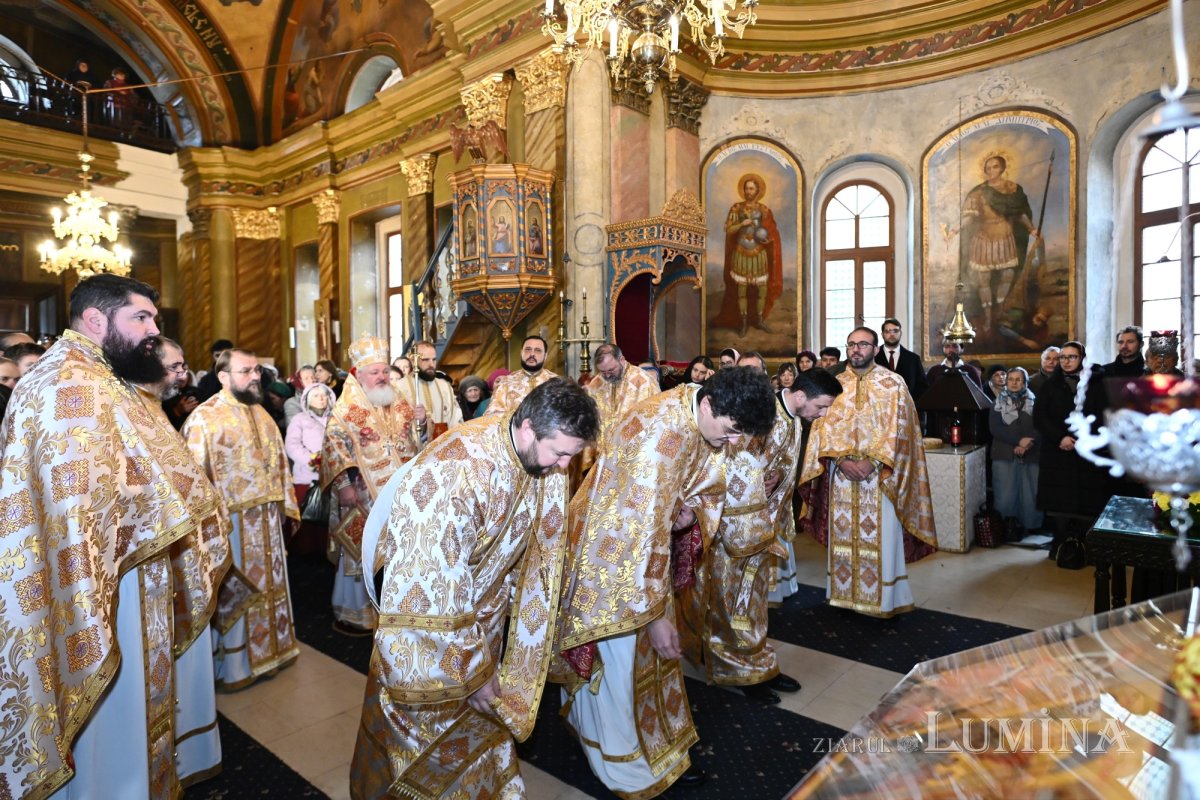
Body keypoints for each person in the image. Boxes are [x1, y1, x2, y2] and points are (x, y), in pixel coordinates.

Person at [0, 275, 230, 798]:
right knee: (108, 723)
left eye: (154, 319)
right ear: (96, 320)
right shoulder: (64, 383)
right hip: (92, 579)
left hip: (135, 563)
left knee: (137, 707)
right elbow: (74, 501)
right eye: (141, 319)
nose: (153, 331)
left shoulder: (108, 377)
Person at [350, 379, 600, 799]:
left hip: (482, 629)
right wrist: (475, 671)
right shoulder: (457, 471)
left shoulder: (536, 457)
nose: (563, 468)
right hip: (430, 645)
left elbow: (539, 545)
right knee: (419, 754)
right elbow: (427, 589)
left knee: (482, 744)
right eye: (560, 453)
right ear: (527, 428)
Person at [557, 366, 777, 796]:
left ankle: (648, 748)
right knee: (619, 661)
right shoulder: (660, 438)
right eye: (731, 432)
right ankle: (619, 762)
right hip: (612, 565)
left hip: (646, 564)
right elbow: (636, 533)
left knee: (649, 665)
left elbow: (703, 488)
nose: (732, 443)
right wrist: (656, 616)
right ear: (710, 404)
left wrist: (690, 510)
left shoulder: (700, 413)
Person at [679, 364, 842, 706]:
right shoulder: (762, 413)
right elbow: (726, 460)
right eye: (822, 406)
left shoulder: (797, 418)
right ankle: (736, 670)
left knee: (753, 605)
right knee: (731, 603)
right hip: (734, 529)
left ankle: (756, 664)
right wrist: (756, 487)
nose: (823, 414)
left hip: (762, 529)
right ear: (801, 395)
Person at [183, 348, 301, 689]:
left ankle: (274, 652)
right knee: (239, 591)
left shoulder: (262, 414)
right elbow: (192, 482)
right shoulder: (204, 419)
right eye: (246, 370)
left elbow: (279, 467)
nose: (255, 377)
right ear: (223, 377)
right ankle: (235, 665)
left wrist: (284, 509)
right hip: (229, 525)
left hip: (265, 522)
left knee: (270, 588)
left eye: (256, 371)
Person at [800, 327, 937, 617]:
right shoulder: (834, 384)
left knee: (882, 538)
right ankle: (843, 596)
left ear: (875, 349)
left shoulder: (894, 384)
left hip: (880, 478)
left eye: (863, 344)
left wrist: (872, 462)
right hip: (841, 475)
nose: (856, 350)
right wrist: (842, 461)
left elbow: (903, 432)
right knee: (842, 537)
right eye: (851, 344)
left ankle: (884, 600)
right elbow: (821, 429)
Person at [321, 335, 419, 634]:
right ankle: (355, 613)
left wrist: (423, 423)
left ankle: (394, 607)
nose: (381, 377)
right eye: (374, 372)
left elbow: (413, 440)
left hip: (399, 490)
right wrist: (342, 486)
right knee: (359, 551)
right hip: (362, 491)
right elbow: (332, 445)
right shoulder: (346, 407)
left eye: (384, 371)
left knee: (398, 549)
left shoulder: (398, 400)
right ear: (359, 374)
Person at [1032, 341, 1112, 560]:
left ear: (1082, 358)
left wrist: (1081, 438)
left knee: (1087, 503)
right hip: (1057, 454)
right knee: (1060, 503)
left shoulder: (1096, 383)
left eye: (1072, 357)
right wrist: (1061, 437)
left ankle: (1086, 547)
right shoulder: (1049, 385)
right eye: (1063, 357)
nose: (1066, 361)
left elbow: (1104, 416)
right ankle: (1061, 545)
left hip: (1086, 452)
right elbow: (1040, 417)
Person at [960, 155, 1040, 331]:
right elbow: (969, 217)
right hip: (984, 239)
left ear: (1003, 168)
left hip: (1005, 236)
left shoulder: (1012, 189)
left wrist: (1031, 229)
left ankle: (1001, 311)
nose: (990, 171)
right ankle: (988, 318)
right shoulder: (978, 192)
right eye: (987, 168)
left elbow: (1019, 213)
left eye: (995, 167)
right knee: (984, 280)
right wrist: (956, 229)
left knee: (1007, 276)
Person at [712, 173, 783, 336]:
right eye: (746, 188)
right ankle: (743, 322)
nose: (748, 191)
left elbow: (772, 232)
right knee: (741, 290)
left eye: (751, 188)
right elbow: (728, 229)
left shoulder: (764, 210)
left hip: (759, 254)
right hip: (741, 253)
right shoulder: (736, 208)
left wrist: (767, 239)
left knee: (762, 290)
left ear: (757, 190)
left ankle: (759, 320)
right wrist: (741, 224)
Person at [583, 342, 660, 467]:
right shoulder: (597, 382)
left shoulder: (644, 381)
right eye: (602, 371)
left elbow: (655, 418)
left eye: (611, 370)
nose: (607, 375)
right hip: (601, 457)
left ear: (622, 360)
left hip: (632, 457)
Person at [989, 367, 1043, 534]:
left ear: (1025, 382)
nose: (1014, 382)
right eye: (1011, 379)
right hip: (1004, 453)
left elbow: (1042, 425)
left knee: (1030, 493)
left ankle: (1031, 527)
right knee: (1005, 494)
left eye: (1018, 379)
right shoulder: (997, 403)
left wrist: (1028, 442)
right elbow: (995, 429)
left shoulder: (1036, 401)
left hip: (1032, 453)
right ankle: (1007, 528)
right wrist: (1019, 442)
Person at [286, 382, 336, 556]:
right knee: (307, 520)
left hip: (332, 476)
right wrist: (312, 460)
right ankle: (304, 560)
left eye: (324, 395)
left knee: (329, 519)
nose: (321, 398)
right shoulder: (299, 419)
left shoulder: (336, 418)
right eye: (316, 395)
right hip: (307, 476)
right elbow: (292, 445)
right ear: (307, 399)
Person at [396, 340, 463, 445]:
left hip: (444, 447)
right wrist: (423, 423)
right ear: (413, 360)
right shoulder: (400, 387)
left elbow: (456, 418)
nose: (431, 364)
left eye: (434, 359)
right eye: (425, 360)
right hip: (416, 451)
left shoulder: (444, 386)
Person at [486, 335, 557, 416]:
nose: (532, 354)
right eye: (528, 350)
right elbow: (492, 414)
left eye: (537, 350)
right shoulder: (506, 382)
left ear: (545, 356)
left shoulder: (557, 383)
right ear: (521, 353)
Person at [874, 318, 930, 399]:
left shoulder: (913, 359)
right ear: (882, 334)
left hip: (906, 407)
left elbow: (922, 387)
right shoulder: (873, 357)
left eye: (895, 331)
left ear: (900, 333)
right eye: (887, 331)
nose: (892, 334)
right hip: (879, 406)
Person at [194, 338, 234, 402]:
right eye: (217, 355)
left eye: (224, 355)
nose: (221, 358)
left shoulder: (241, 375)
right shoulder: (205, 380)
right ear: (213, 356)